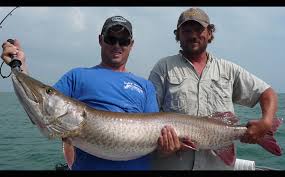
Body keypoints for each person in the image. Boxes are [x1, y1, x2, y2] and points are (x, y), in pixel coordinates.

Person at [1, 15, 159, 170]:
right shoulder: (76, 76)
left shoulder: (145, 86)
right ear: (100, 40)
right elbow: (40, 112)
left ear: (131, 44)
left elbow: (157, 139)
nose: (117, 45)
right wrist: (18, 65)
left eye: (123, 41)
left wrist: (168, 147)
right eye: (111, 39)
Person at [148, 7, 278, 170]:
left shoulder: (229, 70)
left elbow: (267, 92)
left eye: (198, 29)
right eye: (186, 31)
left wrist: (266, 122)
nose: (193, 35)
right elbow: (149, 116)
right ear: (178, 35)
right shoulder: (163, 67)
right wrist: (162, 146)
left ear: (209, 33)